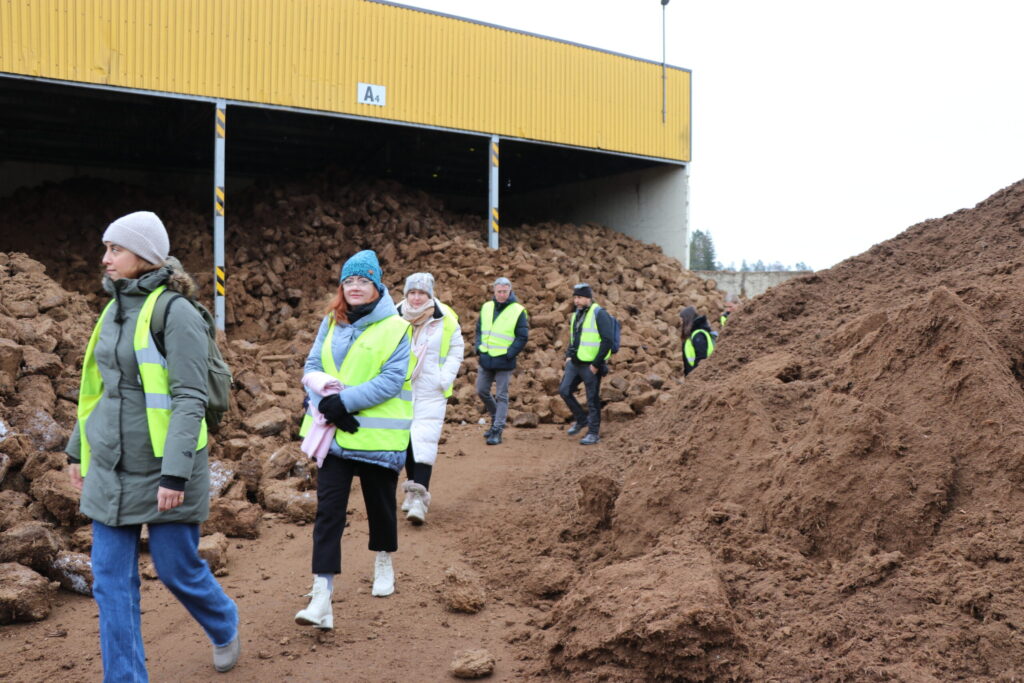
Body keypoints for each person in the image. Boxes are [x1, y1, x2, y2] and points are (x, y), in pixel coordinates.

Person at [65, 211, 240, 680]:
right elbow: (98, 389)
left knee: (175, 568)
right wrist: (78, 449)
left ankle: (223, 621)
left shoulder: (176, 312)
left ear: (144, 256)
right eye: (106, 248)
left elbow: (189, 397)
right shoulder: (113, 307)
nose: (105, 259)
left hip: (168, 464)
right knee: (109, 582)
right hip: (111, 463)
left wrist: (175, 473)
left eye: (115, 249)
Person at [296, 250, 412, 631]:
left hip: (375, 436)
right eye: (349, 281)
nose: (355, 287)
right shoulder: (331, 320)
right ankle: (321, 595)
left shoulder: (397, 328)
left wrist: (342, 402)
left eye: (363, 281)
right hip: (333, 436)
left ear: (377, 285)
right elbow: (312, 366)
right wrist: (325, 400)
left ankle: (383, 561)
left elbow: (391, 380)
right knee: (328, 513)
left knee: (380, 507)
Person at [396, 272, 465, 525]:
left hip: (430, 390)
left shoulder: (444, 317)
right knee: (406, 442)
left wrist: (444, 378)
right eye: (412, 293)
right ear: (406, 294)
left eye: (421, 293)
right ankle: (413, 489)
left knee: (424, 442)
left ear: (430, 294)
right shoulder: (393, 315)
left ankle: (419, 500)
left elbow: (457, 348)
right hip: (400, 390)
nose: (416, 298)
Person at [475, 276, 528, 446]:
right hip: (486, 357)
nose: (502, 294)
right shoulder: (487, 307)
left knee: (501, 395)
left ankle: (497, 430)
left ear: (510, 291)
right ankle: (495, 418)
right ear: (494, 291)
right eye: (499, 291)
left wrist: (510, 353)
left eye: (505, 291)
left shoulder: (518, 310)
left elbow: (522, 336)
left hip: (504, 360)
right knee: (482, 390)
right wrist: (478, 347)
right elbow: (478, 330)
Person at [559, 283, 614, 446]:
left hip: (590, 365)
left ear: (588, 298)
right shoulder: (577, 314)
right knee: (564, 390)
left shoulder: (599, 313)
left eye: (580, 297)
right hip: (575, 362)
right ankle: (582, 419)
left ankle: (593, 433)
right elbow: (574, 337)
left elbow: (607, 341)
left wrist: (596, 364)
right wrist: (569, 356)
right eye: (575, 297)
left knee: (592, 399)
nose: (576, 301)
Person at [680, 305, 716, 376]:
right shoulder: (694, 334)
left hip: (701, 377)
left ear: (687, 319)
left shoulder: (697, 335)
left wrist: (696, 377)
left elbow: (701, 358)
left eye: (682, 320)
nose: (681, 323)